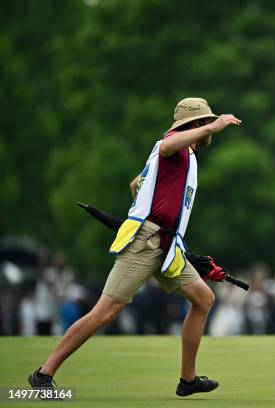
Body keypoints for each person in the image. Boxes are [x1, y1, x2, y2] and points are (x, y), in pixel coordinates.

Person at [28, 98, 241, 397]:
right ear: (195, 125)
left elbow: (134, 185)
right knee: (106, 311)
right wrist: (218, 125)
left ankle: (188, 380)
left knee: (203, 298)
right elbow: (168, 144)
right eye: (207, 123)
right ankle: (43, 373)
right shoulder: (173, 146)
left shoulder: (184, 156)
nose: (211, 130)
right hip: (147, 242)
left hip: (166, 245)